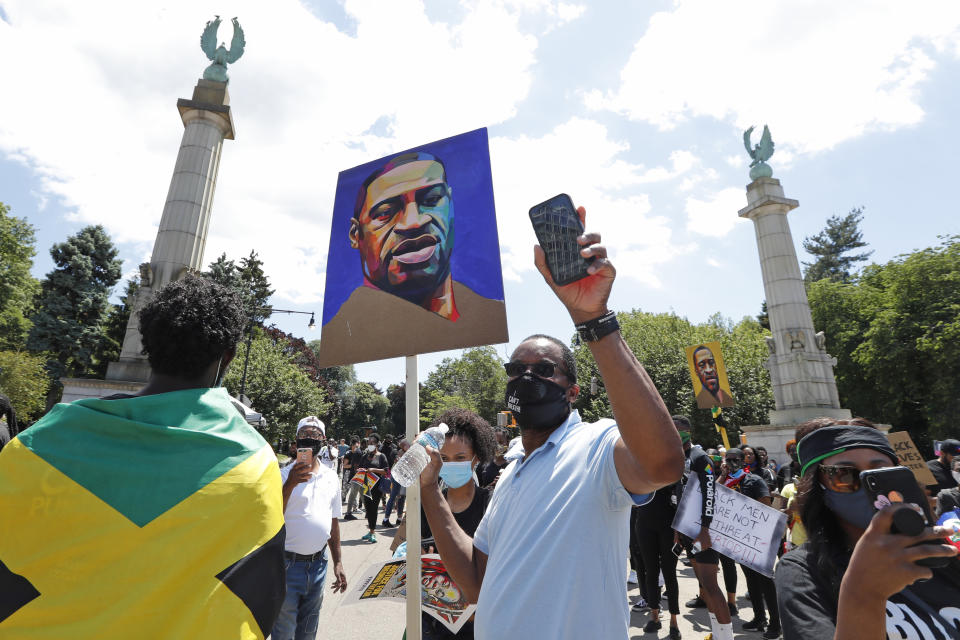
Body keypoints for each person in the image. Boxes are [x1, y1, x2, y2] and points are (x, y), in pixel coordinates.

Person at [419, 208, 684, 640]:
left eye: (543, 369)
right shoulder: (509, 476)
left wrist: (593, 320)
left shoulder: (597, 446)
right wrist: (430, 490)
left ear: (573, 391)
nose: (526, 378)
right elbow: (474, 583)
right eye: (515, 369)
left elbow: (663, 465)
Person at [0, 273, 285, 638]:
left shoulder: (35, 445)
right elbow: (259, 594)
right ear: (226, 357)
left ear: (148, 345)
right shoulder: (252, 462)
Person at [776, 418, 960, 639]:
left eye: (880, 473)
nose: (865, 486)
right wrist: (864, 595)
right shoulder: (802, 570)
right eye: (844, 475)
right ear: (819, 488)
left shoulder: (939, 545)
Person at [316, 152, 507, 366]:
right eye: (385, 212)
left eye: (433, 200)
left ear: (451, 206)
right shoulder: (340, 333)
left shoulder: (490, 315)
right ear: (355, 234)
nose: (414, 222)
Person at [419, 408, 497, 639]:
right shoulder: (426, 502)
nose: (450, 464)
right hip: (432, 621)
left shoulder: (491, 503)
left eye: (460, 458)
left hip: (477, 624)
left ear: (477, 458)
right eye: (444, 458)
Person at [272, 420, 348, 640]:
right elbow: (273, 515)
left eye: (315, 434)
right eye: (304, 433)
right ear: (296, 442)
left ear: (322, 441)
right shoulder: (283, 475)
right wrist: (290, 485)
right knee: (284, 631)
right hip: (286, 565)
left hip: (318, 565)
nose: (309, 437)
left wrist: (338, 562)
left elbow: (333, 522)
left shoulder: (331, 477)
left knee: (308, 630)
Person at [677, 417, 736, 640]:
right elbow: (681, 494)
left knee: (711, 585)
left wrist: (705, 529)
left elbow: (709, 495)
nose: (676, 434)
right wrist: (678, 528)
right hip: (687, 529)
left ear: (688, 431)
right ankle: (716, 632)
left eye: (680, 430)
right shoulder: (680, 457)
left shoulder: (699, 457)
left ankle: (726, 636)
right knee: (704, 584)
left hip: (703, 530)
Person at [722, 448, 781, 638]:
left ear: (743, 461)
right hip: (739, 537)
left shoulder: (753, 480)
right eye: (728, 460)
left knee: (765, 580)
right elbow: (714, 495)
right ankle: (759, 618)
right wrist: (723, 476)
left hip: (757, 537)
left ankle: (775, 623)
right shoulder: (726, 482)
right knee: (751, 579)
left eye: (735, 460)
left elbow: (765, 504)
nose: (731, 463)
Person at [635, 431, 683, 638]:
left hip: (668, 526)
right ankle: (654, 616)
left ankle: (674, 622)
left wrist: (679, 530)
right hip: (644, 524)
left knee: (670, 573)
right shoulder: (637, 466)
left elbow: (680, 499)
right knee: (650, 572)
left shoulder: (673, 468)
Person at [359, 437, 390, 543]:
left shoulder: (381, 456)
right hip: (366, 485)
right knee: (368, 509)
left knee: (374, 508)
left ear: (377, 444)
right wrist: (362, 470)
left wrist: (373, 470)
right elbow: (359, 468)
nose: (370, 444)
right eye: (369, 443)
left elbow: (386, 471)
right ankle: (370, 531)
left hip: (377, 487)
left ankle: (373, 532)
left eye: (372, 443)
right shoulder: (365, 456)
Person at [692, 345, 734, 409]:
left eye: (711, 363)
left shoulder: (727, 397)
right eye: (702, 365)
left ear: (716, 366)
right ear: (696, 371)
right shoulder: (702, 401)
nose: (709, 370)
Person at [383, 438, 410, 527]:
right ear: (404, 446)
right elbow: (398, 460)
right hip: (397, 477)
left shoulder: (402, 452)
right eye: (407, 445)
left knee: (401, 497)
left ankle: (399, 518)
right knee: (394, 496)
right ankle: (386, 519)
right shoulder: (399, 453)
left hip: (401, 477)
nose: (408, 446)